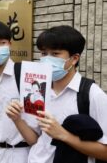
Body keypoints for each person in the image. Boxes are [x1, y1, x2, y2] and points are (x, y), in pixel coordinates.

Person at [6, 25, 107, 163]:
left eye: (55, 54)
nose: (47, 59)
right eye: (43, 53)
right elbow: (35, 140)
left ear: (74, 58)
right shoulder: (38, 89)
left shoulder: (92, 94)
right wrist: (17, 119)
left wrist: (63, 135)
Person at [0, 21, 39, 163]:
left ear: (10, 44)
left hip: (20, 153)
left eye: (2, 43)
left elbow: (37, 127)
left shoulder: (26, 75)